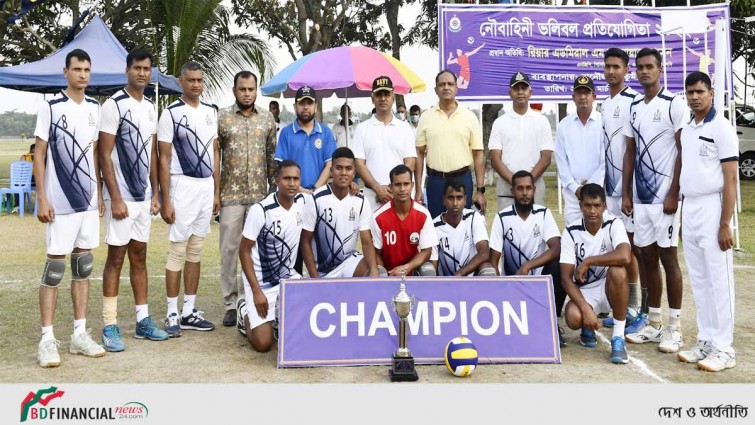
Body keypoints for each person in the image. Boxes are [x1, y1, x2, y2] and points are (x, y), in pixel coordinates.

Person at [33, 48, 106, 367]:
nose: (83, 75)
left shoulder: (95, 107)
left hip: (88, 202)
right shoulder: (50, 107)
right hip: (59, 203)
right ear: (66, 72)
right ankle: (47, 339)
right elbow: (39, 155)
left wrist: (100, 193)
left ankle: (79, 334)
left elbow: (92, 154)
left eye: (87, 70)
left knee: (83, 266)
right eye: (77, 69)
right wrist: (42, 197)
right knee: (55, 268)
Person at [98, 49, 168, 351]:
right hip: (121, 198)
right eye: (137, 68)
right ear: (127, 70)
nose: (142, 73)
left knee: (139, 256)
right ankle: (109, 325)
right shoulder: (114, 105)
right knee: (115, 258)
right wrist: (114, 197)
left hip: (142, 199)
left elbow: (152, 152)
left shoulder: (151, 107)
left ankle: (143, 321)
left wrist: (155, 193)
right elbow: (103, 154)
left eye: (146, 68)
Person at [622, 48, 687, 354]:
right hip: (640, 199)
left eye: (650, 67)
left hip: (665, 200)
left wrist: (674, 191)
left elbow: (683, 148)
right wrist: (625, 192)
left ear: (661, 70)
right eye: (641, 67)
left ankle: (674, 328)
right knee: (646, 257)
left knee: (668, 258)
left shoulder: (674, 104)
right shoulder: (634, 106)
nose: (645, 71)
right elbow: (630, 152)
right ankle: (654, 322)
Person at [677, 71, 738, 371]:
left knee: (719, 280)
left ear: (711, 93)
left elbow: (730, 180)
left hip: (714, 207)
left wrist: (725, 223)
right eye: (690, 92)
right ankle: (706, 339)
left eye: (700, 91)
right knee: (700, 279)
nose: (695, 97)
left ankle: (724, 348)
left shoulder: (722, 127)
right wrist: (681, 215)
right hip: (691, 208)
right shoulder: (688, 129)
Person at [157, 61, 219, 337]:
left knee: (196, 251)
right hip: (182, 187)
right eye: (191, 80)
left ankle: (189, 311)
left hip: (206, 188)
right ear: (180, 82)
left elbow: (215, 153)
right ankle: (171, 312)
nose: (196, 84)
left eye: (199, 80)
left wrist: (216, 190)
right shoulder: (170, 113)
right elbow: (164, 157)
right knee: (177, 251)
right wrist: (165, 199)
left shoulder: (210, 113)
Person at [217, 71, 277, 327]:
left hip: (259, 198)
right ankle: (231, 303)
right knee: (229, 251)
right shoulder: (222, 118)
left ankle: (249, 298)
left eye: (251, 89)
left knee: (254, 252)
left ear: (256, 90)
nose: (247, 93)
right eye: (242, 89)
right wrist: (215, 193)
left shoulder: (267, 118)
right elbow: (214, 157)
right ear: (234, 91)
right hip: (230, 195)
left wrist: (273, 191)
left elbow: (272, 156)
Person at [489, 170, 565, 346]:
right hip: (512, 282)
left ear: (534, 190)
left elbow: (556, 248)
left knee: (560, 265)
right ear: (512, 191)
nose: (525, 193)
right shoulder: (502, 217)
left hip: (539, 283)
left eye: (528, 188)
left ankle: (551, 322)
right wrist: (497, 288)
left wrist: (528, 266)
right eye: (520, 188)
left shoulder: (544, 213)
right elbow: (494, 259)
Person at [237, 160, 306, 352]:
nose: (291, 183)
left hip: (287, 277)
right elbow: (243, 250)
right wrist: (257, 291)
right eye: (286, 179)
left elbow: (323, 193)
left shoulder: (302, 203)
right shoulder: (261, 210)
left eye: (295, 179)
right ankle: (245, 312)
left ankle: (277, 316)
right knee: (263, 344)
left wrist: (351, 187)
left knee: (306, 328)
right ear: (276, 180)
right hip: (261, 282)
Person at [560, 183, 632, 364]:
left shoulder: (614, 223)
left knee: (618, 271)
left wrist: (589, 261)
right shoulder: (570, 231)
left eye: (597, 206)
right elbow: (566, 278)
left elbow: (625, 256)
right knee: (573, 317)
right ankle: (587, 327)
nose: (592, 211)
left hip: (610, 287)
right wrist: (585, 309)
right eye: (587, 206)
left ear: (604, 206)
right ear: (580, 206)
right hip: (585, 291)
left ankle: (618, 338)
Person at [600, 48, 644, 332]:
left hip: (628, 190)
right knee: (616, 244)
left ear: (626, 70)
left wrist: (628, 190)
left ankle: (635, 306)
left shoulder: (634, 101)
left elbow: (633, 149)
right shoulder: (604, 103)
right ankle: (622, 305)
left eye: (616, 66)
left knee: (632, 247)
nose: (611, 71)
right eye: (607, 67)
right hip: (609, 189)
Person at [415, 70, 486, 218]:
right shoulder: (426, 117)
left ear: (456, 88)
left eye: (450, 84)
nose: (446, 87)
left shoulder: (469, 117)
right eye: (442, 84)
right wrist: (418, 189)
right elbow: (419, 154)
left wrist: (480, 190)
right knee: (436, 226)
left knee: (462, 226)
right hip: (435, 181)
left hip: (462, 179)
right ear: (436, 90)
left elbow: (478, 155)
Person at [301, 147, 380, 278]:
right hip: (322, 270)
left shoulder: (360, 201)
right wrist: (314, 279)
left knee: (379, 272)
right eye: (339, 168)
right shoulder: (316, 199)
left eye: (348, 169)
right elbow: (305, 241)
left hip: (349, 263)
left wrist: (373, 270)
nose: (344, 173)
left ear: (354, 173)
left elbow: (366, 242)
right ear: (331, 171)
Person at [489, 72, 553, 210]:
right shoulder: (500, 122)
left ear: (530, 92)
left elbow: (546, 158)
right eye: (516, 89)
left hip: (534, 185)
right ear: (510, 93)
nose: (520, 92)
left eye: (524, 88)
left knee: (535, 228)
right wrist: (515, 182)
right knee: (508, 227)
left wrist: (527, 182)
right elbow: (495, 159)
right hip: (507, 187)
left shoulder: (542, 121)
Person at [353, 76, 416, 209]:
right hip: (372, 196)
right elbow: (359, 164)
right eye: (379, 94)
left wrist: (394, 187)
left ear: (393, 97)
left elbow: (410, 162)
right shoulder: (362, 128)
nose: (383, 98)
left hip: (399, 195)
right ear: (372, 99)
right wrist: (377, 188)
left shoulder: (405, 128)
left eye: (386, 94)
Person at [555, 75, 606, 225]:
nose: (583, 97)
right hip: (573, 194)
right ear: (573, 97)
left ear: (594, 96)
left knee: (599, 237)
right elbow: (561, 160)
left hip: (598, 191)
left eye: (587, 93)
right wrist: (575, 187)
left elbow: (605, 161)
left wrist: (592, 187)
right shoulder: (564, 125)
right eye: (579, 93)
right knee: (574, 235)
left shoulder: (603, 122)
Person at [371, 164, 438, 277]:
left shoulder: (423, 214)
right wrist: (386, 276)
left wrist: (407, 268)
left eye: (406, 184)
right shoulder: (378, 216)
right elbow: (375, 252)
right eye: (397, 185)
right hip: (388, 271)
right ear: (390, 187)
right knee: (379, 273)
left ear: (412, 185)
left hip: (412, 268)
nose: (402, 189)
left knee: (429, 270)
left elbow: (427, 251)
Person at [274, 85, 337, 194]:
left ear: (316, 106)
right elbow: (282, 167)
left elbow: (329, 165)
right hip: (292, 194)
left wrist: (315, 190)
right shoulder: (286, 133)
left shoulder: (326, 132)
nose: (306, 107)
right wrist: (300, 190)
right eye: (302, 103)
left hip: (319, 193)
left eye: (309, 103)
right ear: (295, 106)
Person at [430, 179, 495, 277]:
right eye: (451, 198)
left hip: (470, 279)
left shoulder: (473, 217)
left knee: (488, 269)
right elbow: (433, 264)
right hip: (445, 283)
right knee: (427, 269)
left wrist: (459, 274)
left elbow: (485, 252)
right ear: (444, 200)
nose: (455, 203)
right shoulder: (434, 226)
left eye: (459, 198)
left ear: (465, 200)